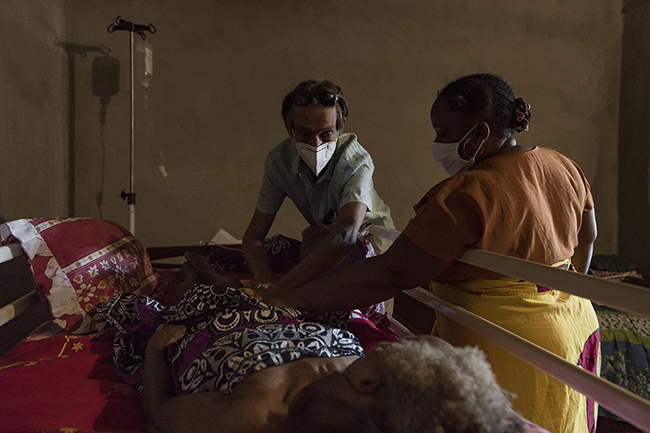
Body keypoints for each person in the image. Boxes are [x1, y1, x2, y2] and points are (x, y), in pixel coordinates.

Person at [249, 73, 600, 433]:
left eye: (442, 131)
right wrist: (563, 292)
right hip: (575, 326)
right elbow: (588, 238)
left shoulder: (467, 193)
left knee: (500, 420)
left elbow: (392, 273)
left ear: (478, 133)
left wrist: (293, 298)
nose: (437, 143)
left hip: (504, 341)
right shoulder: (563, 165)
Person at [96, 259, 527, 433]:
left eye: (395, 349)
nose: (392, 343)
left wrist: (154, 350)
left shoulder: (257, 412)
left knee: (191, 292)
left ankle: (194, 272)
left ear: (369, 381)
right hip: (289, 315)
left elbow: (160, 410)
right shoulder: (375, 386)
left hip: (214, 323)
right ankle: (207, 268)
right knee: (234, 285)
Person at [242, 79, 394, 292]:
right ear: (290, 128)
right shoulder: (280, 162)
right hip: (329, 239)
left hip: (370, 245)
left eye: (326, 134)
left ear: (340, 128)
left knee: (355, 312)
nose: (316, 145)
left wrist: (281, 289)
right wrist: (263, 275)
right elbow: (253, 236)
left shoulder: (356, 162)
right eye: (304, 134)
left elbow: (346, 233)